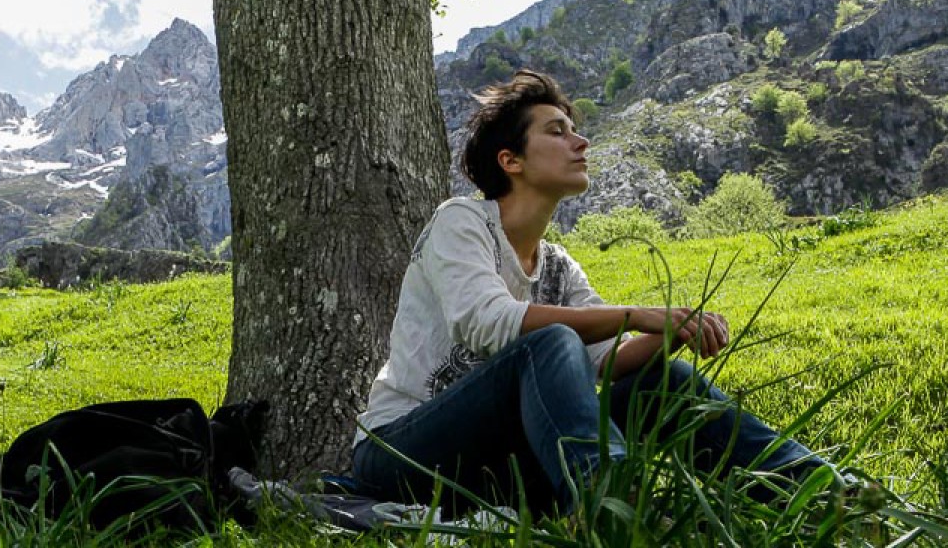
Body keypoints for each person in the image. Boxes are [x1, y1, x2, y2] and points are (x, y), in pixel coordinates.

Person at [348, 70, 835, 515]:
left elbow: (608, 358)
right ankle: (614, 508)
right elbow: (487, 322)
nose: (580, 142)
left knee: (664, 378)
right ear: (510, 160)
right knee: (552, 341)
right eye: (557, 132)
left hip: (502, 462)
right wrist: (642, 314)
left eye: (574, 131)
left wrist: (675, 329)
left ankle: (825, 492)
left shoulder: (557, 265)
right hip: (400, 452)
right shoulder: (462, 221)